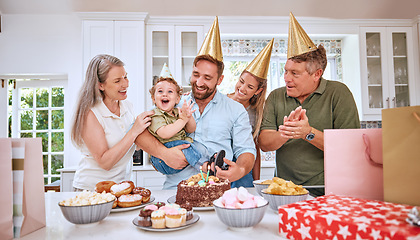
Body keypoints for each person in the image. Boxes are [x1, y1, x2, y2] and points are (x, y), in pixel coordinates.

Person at [258, 13, 360, 196]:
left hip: (328, 190)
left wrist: (308, 133)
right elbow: (264, 143)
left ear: (316, 74)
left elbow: (351, 148)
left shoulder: (338, 93)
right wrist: (286, 132)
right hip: (284, 190)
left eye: (295, 74)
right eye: (285, 71)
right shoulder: (276, 96)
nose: (286, 78)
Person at [179, 17, 256, 188]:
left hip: (218, 189)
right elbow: (142, 131)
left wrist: (241, 170)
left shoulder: (235, 110)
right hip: (176, 187)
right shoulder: (175, 102)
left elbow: (246, 150)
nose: (199, 83)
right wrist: (161, 152)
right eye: (196, 74)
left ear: (220, 79)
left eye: (207, 78)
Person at [71, 54, 154, 191]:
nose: (125, 84)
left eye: (125, 77)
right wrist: (134, 131)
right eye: (117, 81)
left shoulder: (127, 106)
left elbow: (132, 144)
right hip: (92, 190)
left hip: (120, 187)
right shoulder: (90, 114)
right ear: (100, 85)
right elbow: (105, 162)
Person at [148, 63, 209, 175]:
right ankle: (204, 167)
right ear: (153, 99)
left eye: (170, 92)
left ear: (177, 99)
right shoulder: (155, 114)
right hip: (162, 159)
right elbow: (164, 133)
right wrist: (182, 120)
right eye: (160, 91)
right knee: (187, 145)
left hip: (177, 155)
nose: (165, 94)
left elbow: (191, 129)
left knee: (199, 146)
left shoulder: (177, 112)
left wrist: (187, 117)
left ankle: (211, 160)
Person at [227, 39, 274, 181]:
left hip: (244, 170)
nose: (242, 89)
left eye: (250, 87)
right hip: (221, 164)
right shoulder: (221, 101)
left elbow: (254, 150)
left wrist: (256, 181)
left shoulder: (255, 113)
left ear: (258, 91)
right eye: (241, 81)